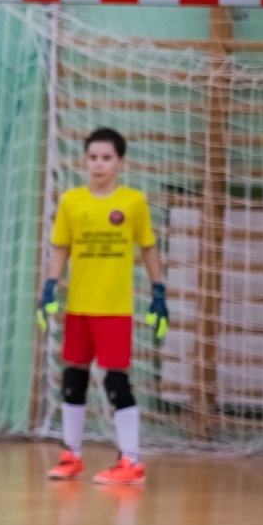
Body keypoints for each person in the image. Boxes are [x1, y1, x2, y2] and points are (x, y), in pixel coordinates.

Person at [38, 126, 166, 486]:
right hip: (79, 306)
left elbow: (148, 248)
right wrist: (49, 287)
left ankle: (131, 460)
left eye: (106, 157)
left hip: (115, 308)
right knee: (74, 378)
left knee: (116, 381)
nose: (98, 164)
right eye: (93, 157)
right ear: (85, 160)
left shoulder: (133, 202)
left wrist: (158, 291)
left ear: (120, 162)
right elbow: (61, 248)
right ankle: (71, 455)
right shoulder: (72, 201)